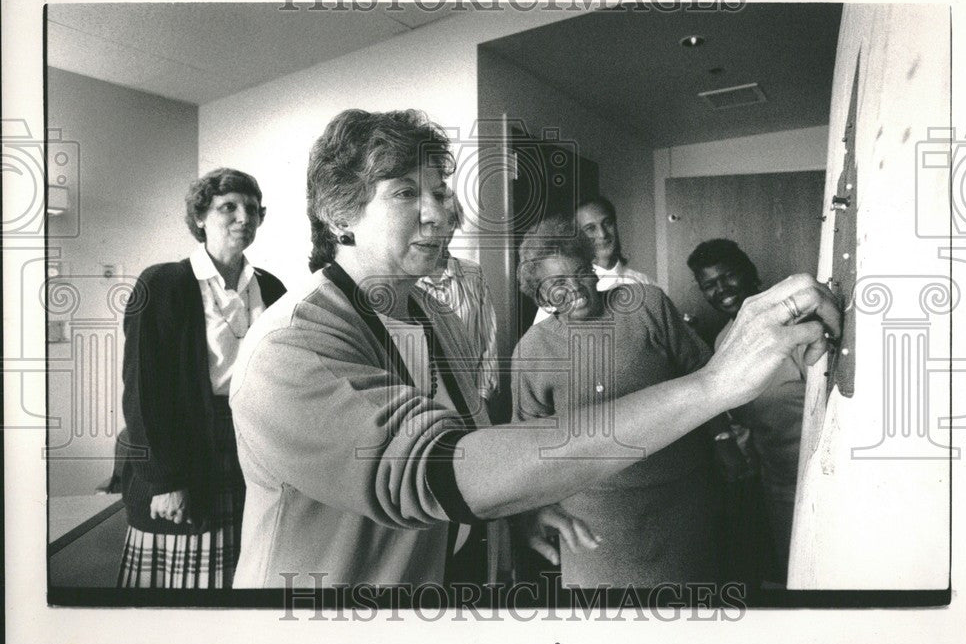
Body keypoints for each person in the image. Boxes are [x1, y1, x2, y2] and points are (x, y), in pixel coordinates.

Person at [229, 108, 839, 589]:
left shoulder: (433, 313)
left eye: (441, 192)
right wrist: (711, 384)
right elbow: (440, 471)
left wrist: (511, 512)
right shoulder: (289, 349)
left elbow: (472, 446)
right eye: (406, 193)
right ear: (341, 212)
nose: (441, 213)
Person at [511, 217, 719, 587]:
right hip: (593, 519)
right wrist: (534, 508)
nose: (576, 288)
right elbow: (528, 444)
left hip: (679, 500)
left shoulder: (646, 306)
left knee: (688, 618)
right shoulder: (532, 350)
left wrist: (725, 440)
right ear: (541, 297)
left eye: (581, 272)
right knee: (603, 628)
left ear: (594, 271)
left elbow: (707, 376)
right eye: (558, 284)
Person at [118, 169, 286, 588]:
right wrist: (165, 481)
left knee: (245, 568)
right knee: (189, 582)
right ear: (200, 218)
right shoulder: (163, 284)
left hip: (252, 445)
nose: (243, 217)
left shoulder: (273, 288)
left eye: (251, 209)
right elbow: (144, 392)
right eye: (227, 207)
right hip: (186, 450)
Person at [688, 238, 807, 585]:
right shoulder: (724, 341)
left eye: (727, 277)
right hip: (777, 480)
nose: (720, 290)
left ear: (748, 274)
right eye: (709, 284)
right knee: (791, 574)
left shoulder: (792, 324)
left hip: (817, 473)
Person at [415, 195, 500, 420]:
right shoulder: (405, 280)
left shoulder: (473, 274)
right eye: (433, 223)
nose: (442, 230)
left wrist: (481, 400)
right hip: (423, 409)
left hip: (473, 402)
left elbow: (488, 341)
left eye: (450, 221)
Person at [533, 195, 652, 324]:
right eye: (590, 228)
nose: (602, 234)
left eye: (607, 223)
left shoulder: (644, 283)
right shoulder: (563, 292)